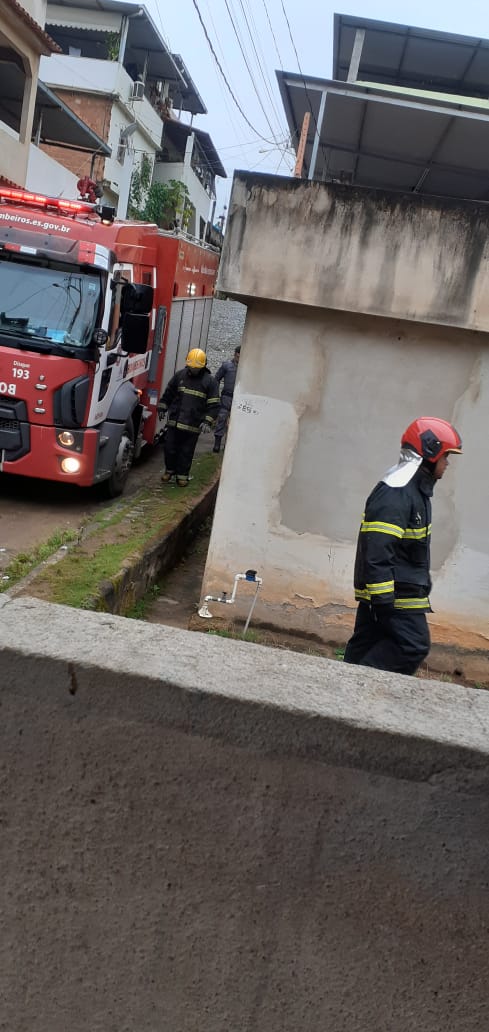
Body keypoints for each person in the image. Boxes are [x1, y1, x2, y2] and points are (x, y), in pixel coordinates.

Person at [343, 417, 462, 676]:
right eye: (446, 456)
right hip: (394, 596)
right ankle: (355, 694)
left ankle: (336, 703)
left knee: (365, 648)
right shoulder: (397, 493)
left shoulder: (414, 490)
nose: (448, 463)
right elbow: (377, 551)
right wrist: (384, 601)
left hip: (399, 592)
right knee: (413, 645)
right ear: (430, 453)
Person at [158, 348, 220, 485]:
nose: (193, 370)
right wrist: (162, 406)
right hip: (175, 422)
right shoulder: (180, 376)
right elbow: (169, 393)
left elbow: (214, 405)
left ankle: (182, 476)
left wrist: (207, 421)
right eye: (192, 367)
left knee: (186, 451)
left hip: (193, 424)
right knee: (169, 448)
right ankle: (169, 471)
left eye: (196, 368)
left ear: (203, 366)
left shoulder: (210, 382)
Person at [212, 345, 240, 453]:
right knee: (222, 419)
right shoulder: (227, 366)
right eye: (237, 356)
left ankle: (228, 445)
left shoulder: (246, 367)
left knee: (235, 422)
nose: (239, 359)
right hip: (226, 397)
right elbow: (216, 379)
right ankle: (217, 444)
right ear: (234, 354)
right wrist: (216, 395)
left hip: (239, 399)